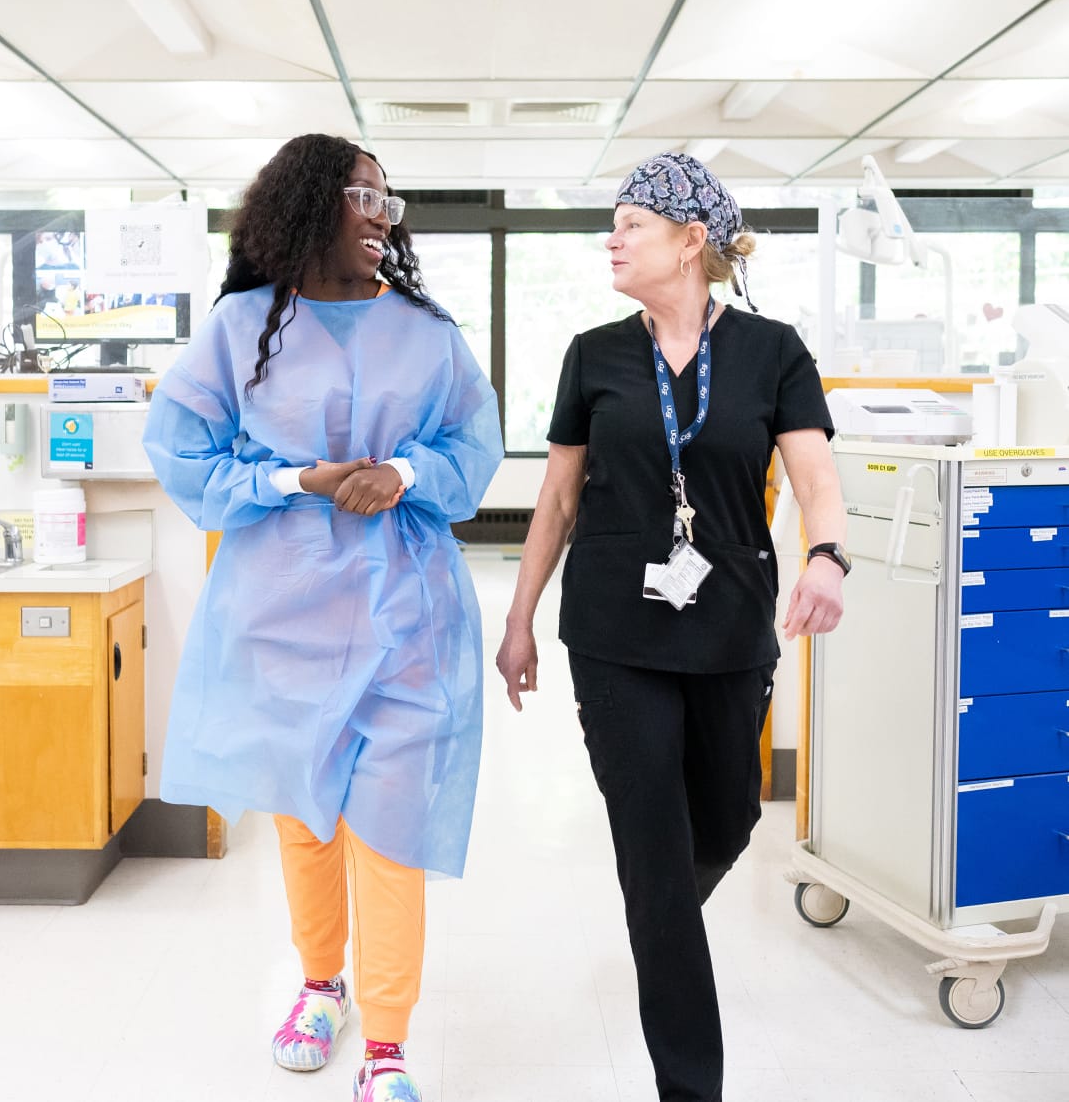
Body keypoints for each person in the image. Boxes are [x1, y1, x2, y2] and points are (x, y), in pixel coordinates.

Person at [143, 133, 503, 1102]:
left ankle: (386, 1044)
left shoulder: (429, 334)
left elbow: (473, 447)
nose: (382, 212)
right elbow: (184, 455)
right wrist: (293, 477)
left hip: (407, 616)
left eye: (389, 196)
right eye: (361, 193)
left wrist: (409, 471)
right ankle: (318, 983)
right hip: (281, 612)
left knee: (391, 830)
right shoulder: (239, 328)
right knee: (305, 819)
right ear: (306, 207)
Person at [496, 152, 847, 1102]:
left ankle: (659, 912)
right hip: (613, 633)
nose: (611, 240)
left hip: (731, 625)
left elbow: (816, 479)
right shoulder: (594, 355)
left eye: (631, 225)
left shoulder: (774, 350)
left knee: (729, 817)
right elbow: (557, 498)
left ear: (692, 242)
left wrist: (828, 555)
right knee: (653, 851)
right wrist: (520, 617)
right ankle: (691, 1082)